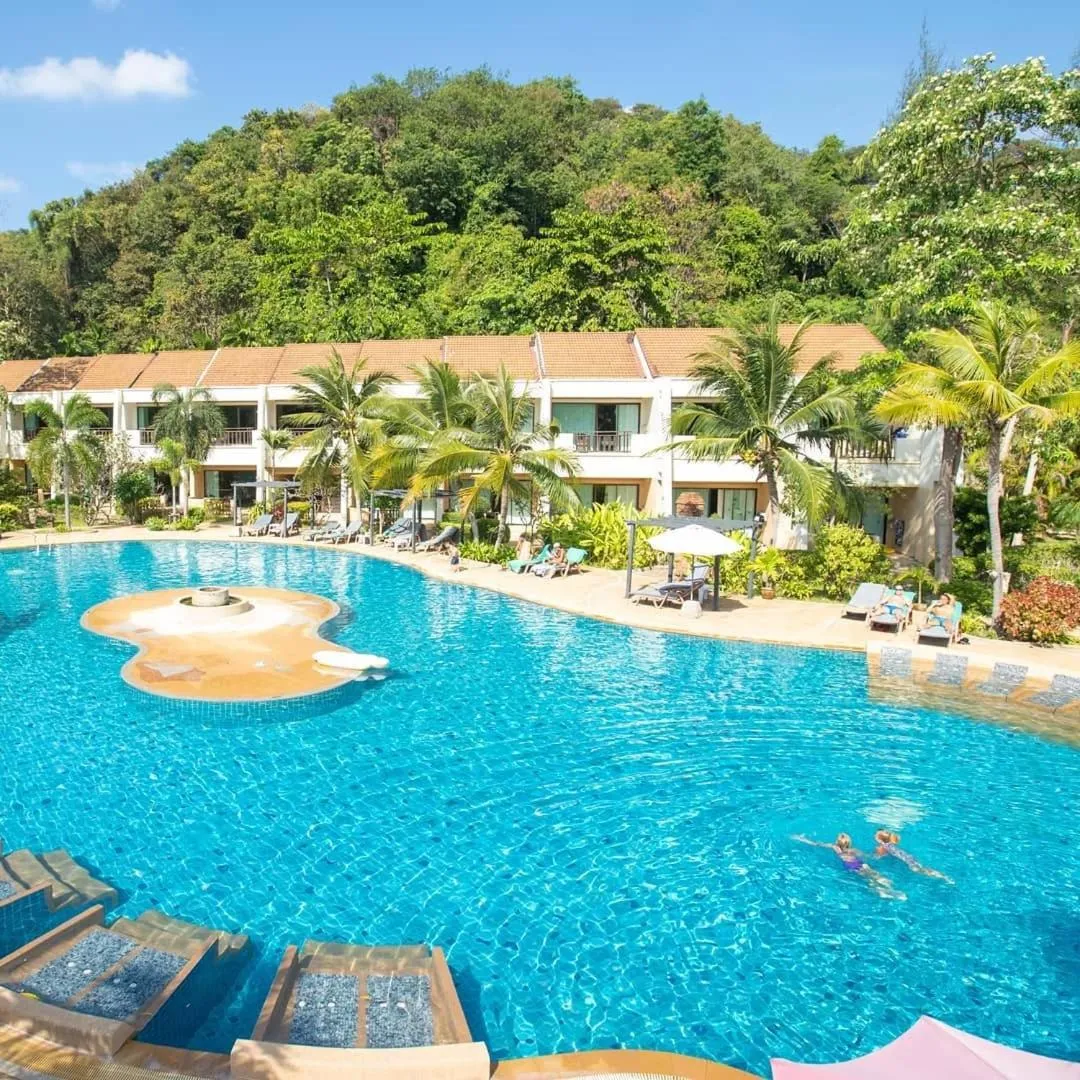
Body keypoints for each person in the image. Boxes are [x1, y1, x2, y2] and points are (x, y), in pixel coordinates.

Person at [794, 833, 906, 900]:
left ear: (837, 842)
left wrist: (802, 838)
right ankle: (888, 886)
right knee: (873, 874)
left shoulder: (835, 848)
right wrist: (879, 855)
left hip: (852, 866)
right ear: (849, 843)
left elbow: (817, 844)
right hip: (861, 863)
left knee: (868, 879)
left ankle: (881, 891)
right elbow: (867, 856)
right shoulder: (853, 850)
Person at [874, 830, 953, 883]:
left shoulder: (881, 847)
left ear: (879, 840)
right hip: (910, 857)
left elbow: (878, 857)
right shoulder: (891, 844)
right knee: (923, 868)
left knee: (921, 871)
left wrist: (874, 857)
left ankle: (941, 877)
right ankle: (941, 875)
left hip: (906, 861)